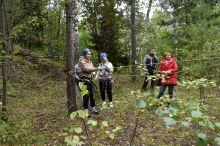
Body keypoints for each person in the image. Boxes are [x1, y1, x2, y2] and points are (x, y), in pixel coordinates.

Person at [80, 48, 104, 117]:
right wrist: (97, 68)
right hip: (84, 79)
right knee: (86, 95)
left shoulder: (90, 62)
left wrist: (94, 73)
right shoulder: (82, 61)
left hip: (90, 78)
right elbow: (87, 69)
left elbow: (92, 69)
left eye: (90, 54)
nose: (89, 55)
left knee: (92, 94)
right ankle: (86, 111)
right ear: (84, 55)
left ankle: (93, 108)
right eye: (88, 54)